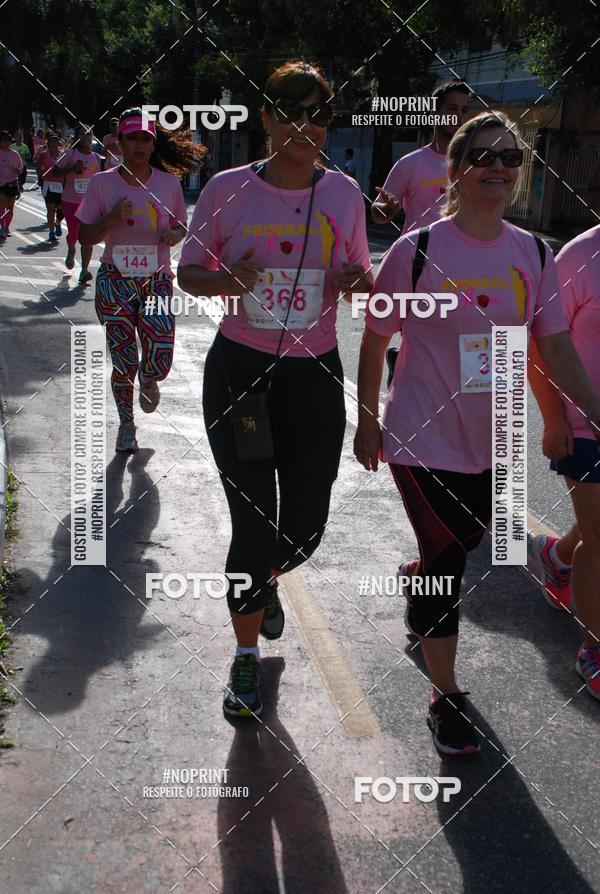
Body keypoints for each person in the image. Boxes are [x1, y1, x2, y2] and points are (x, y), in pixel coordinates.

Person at [353, 111, 600, 755]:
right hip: (419, 437)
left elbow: (553, 347)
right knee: (447, 561)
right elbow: (377, 338)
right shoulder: (418, 250)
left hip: (492, 439)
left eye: (509, 157)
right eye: (482, 155)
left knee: (469, 539)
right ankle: (446, 694)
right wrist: (368, 420)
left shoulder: (534, 253)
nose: (497, 166)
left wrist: (590, 410)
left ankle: (418, 579)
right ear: (455, 168)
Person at [178, 60, 372, 719]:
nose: (303, 125)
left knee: (307, 523)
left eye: (317, 112)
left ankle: (268, 581)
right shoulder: (228, 190)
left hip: (315, 378)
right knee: (251, 520)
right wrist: (227, 281)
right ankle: (244, 659)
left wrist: (353, 282)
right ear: (264, 117)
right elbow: (188, 275)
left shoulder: (344, 194)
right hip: (241, 375)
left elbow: (357, 272)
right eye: (288, 111)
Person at [77, 107, 204, 453]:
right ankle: (127, 425)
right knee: (123, 360)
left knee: (158, 358)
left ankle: (149, 377)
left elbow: (181, 224)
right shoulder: (102, 183)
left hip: (156, 280)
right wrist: (110, 218)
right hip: (114, 280)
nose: (138, 145)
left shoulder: (169, 184)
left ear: (152, 143)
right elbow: (85, 237)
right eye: (131, 138)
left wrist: (176, 233)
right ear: (119, 143)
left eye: (145, 139)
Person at [529, 225, 600, 700]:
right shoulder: (581, 255)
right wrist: (553, 419)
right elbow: (539, 342)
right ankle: (594, 648)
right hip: (585, 424)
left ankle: (555, 559)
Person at [372, 81, 471, 231]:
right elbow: (376, 213)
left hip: (458, 253)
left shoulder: (474, 165)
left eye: (464, 110)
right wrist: (387, 209)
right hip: (416, 253)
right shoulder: (409, 163)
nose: (459, 115)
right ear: (434, 114)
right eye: (452, 108)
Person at [55, 125, 102, 281]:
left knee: (87, 237)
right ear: (78, 137)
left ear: (93, 138)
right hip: (70, 201)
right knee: (74, 234)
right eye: (83, 134)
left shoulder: (95, 157)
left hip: (89, 204)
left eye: (89, 134)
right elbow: (54, 172)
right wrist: (71, 169)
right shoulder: (69, 154)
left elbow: (98, 182)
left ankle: (84, 270)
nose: (86, 137)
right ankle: (70, 250)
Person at [36, 133, 66, 242]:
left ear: (59, 143)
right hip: (48, 185)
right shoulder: (44, 155)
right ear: (48, 144)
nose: (53, 144)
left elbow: (67, 170)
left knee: (62, 209)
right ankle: (51, 232)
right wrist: (42, 174)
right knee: (51, 209)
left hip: (61, 186)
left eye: (55, 141)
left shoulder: (63, 155)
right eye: (51, 142)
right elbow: (38, 169)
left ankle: (58, 223)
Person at [0, 130, 23, 238]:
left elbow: (21, 169)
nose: (6, 142)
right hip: (1, 185)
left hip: (12, 183)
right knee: (1, 206)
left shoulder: (15, 154)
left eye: (8, 140)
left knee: (10, 208)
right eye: (3, 140)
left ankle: (6, 227)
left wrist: (18, 170)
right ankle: (2, 227)